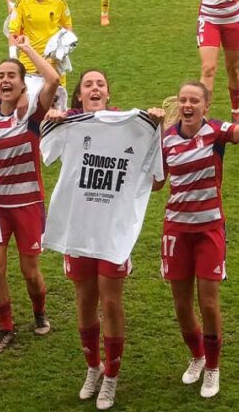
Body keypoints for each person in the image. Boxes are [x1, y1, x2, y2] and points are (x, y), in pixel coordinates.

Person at [43, 69, 165, 410]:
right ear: (79, 95)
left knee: (111, 302)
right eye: (88, 84)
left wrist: (157, 129)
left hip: (112, 232)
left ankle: (112, 375)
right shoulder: (70, 124)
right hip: (79, 230)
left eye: (101, 84)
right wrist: (51, 119)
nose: (94, 88)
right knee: (83, 301)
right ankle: (92, 367)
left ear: (109, 94)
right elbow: (46, 151)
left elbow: (156, 182)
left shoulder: (135, 127)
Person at [154, 79, 239, 398]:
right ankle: (197, 357)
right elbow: (156, 184)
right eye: (183, 100)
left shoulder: (216, 131)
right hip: (176, 231)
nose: (187, 105)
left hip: (209, 229)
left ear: (205, 106)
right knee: (181, 305)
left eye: (194, 101)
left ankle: (213, 368)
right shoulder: (166, 140)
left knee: (209, 302)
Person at [0, 35, 61, 353]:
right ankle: (6, 326)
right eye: (2, 75)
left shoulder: (33, 115)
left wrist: (25, 48)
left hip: (28, 203)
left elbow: (53, 78)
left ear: (23, 85)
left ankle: (39, 313)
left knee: (30, 272)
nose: (6, 80)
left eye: (13, 75)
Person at [8, 0, 72, 85]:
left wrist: (65, 48)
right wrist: (13, 57)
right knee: (30, 102)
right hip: (29, 62)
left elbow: (67, 26)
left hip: (54, 63)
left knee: (57, 102)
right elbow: (13, 31)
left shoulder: (59, 2)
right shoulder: (22, 2)